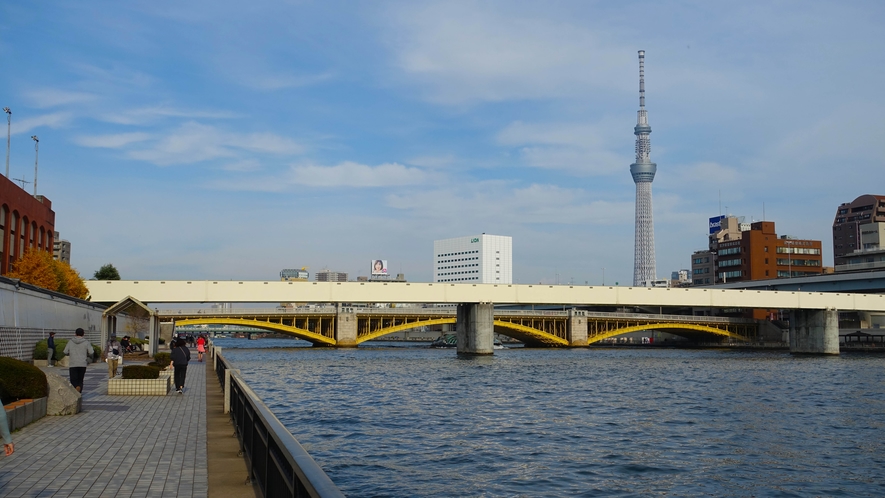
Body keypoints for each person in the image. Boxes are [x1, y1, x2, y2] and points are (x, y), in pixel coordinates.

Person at [63, 328, 94, 393]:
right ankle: (79, 390)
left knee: (73, 380)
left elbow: (65, 351)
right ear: (83, 334)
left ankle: (75, 392)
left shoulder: (70, 341)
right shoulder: (86, 342)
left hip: (73, 363)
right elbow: (91, 352)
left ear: (75, 334)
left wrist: (71, 353)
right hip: (82, 364)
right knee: (80, 380)